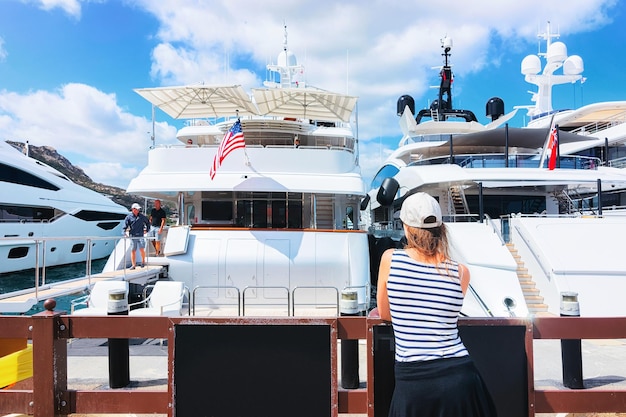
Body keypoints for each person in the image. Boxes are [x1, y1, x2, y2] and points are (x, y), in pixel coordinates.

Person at [376, 192, 497, 417]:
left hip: (414, 381)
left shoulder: (390, 259)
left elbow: (385, 313)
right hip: (461, 378)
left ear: (407, 228)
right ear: (441, 229)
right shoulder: (461, 272)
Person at [124, 203, 150, 269]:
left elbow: (147, 222)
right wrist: (124, 233)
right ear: (133, 209)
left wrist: (147, 230)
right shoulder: (128, 217)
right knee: (133, 250)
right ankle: (133, 265)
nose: (138, 210)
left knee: (142, 249)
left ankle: (143, 262)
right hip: (133, 235)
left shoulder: (142, 216)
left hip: (140, 235)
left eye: (138, 209)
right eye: (137, 209)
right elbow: (125, 226)